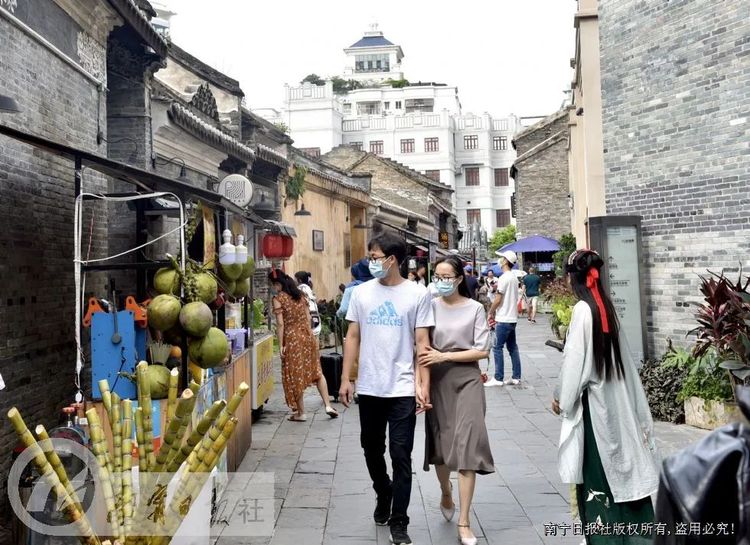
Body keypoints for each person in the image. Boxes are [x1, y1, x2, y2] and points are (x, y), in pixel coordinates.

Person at [553, 249, 659, 544]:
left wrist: (561, 398)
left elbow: (575, 365)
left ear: (572, 278)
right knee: (626, 473)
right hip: (618, 405)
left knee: (599, 476)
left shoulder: (583, 310)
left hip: (595, 412)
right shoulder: (605, 308)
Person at [339, 232, 434, 545]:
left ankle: (400, 521)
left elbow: (422, 343)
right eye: (370, 256)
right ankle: (384, 491)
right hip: (369, 386)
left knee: (401, 454)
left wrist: (423, 384)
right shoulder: (362, 294)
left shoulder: (417, 295)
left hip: (403, 387)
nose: (371, 261)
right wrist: (345, 379)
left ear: (392, 260)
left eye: (376, 256)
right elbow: (352, 336)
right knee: (371, 448)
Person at [418, 255, 494, 545]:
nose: (441, 281)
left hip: (468, 380)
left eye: (447, 277)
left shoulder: (475, 308)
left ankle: (465, 521)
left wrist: (445, 355)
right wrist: (420, 383)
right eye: (437, 276)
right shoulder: (429, 306)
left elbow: (482, 350)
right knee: (442, 445)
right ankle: (445, 491)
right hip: (437, 381)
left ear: (460, 279)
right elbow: (421, 348)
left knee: (468, 446)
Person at [269, 270, 339, 421]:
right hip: (308, 336)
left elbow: (280, 324)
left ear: (278, 284)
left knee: (296, 374)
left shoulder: (278, 298)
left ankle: (301, 413)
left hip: (292, 338)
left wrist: (281, 344)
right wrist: (308, 335)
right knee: (317, 371)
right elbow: (308, 318)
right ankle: (328, 405)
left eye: (273, 285)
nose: (273, 288)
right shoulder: (301, 296)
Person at [484, 250, 522, 386]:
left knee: (497, 347)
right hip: (512, 318)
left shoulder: (503, 278)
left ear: (506, 261)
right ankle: (516, 376)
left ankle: (498, 378)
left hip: (503, 318)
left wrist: (491, 311)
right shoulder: (513, 278)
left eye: (502, 258)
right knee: (513, 347)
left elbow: (498, 299)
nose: (500, 261)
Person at [294, 271, 321, 337]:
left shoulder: (301, 289)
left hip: (308, 316)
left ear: (299, 280)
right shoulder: (308, 288)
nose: (294, 280)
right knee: (315, 338)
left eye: (295, 279)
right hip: (315, 316)